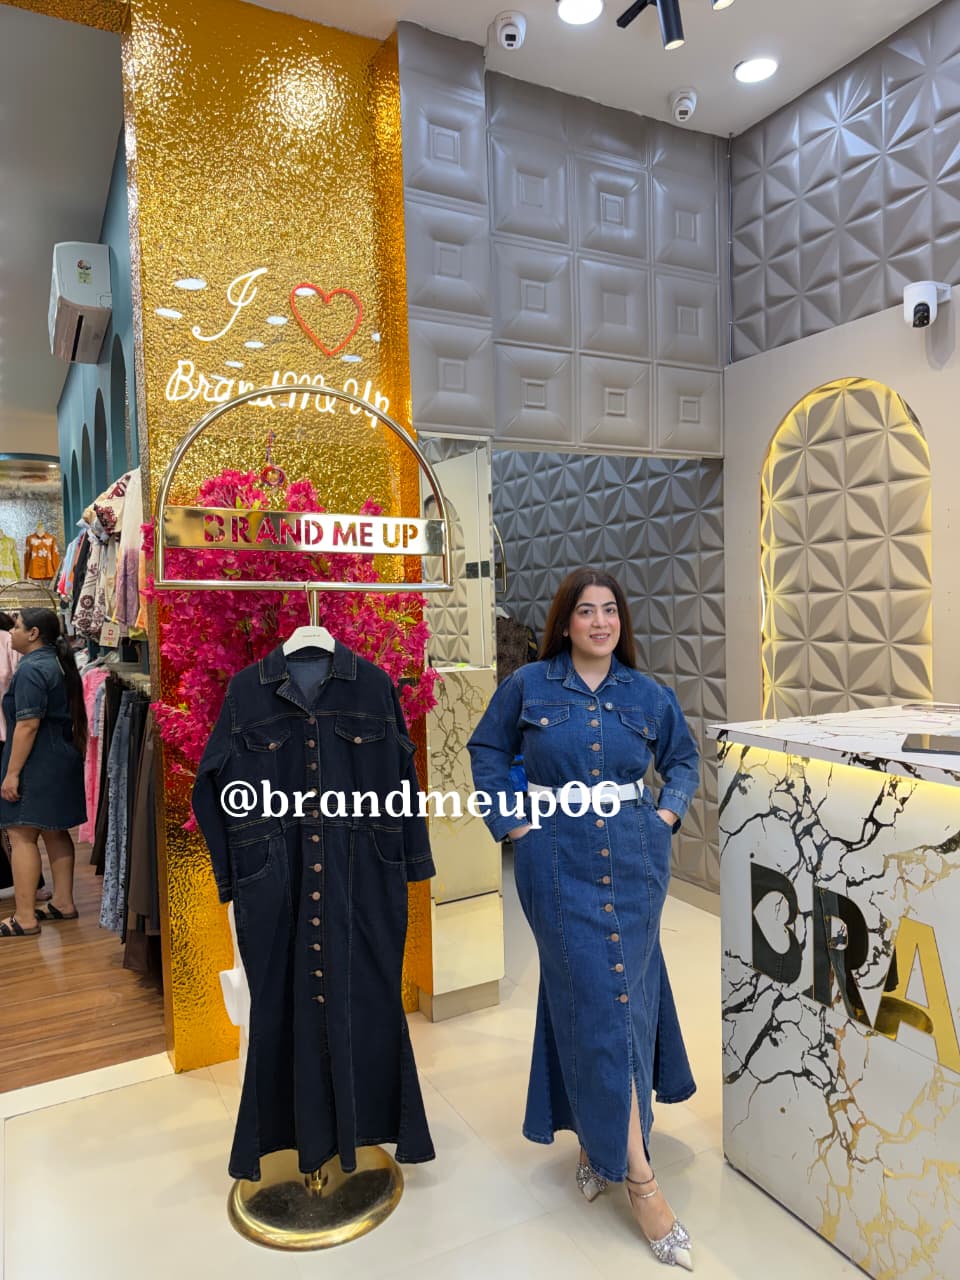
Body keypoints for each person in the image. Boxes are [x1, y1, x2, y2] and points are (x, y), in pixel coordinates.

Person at [468, 568, 700, 1270]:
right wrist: (514, 827)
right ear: (565, 623)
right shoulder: (528, 686)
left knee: (614, 1001)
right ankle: (640, 1178)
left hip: (635, 863)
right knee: (597, 998)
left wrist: (664, 818)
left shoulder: (647, 694)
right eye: (586, 611)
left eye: (610, 611)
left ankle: (602, 1148)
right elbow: (485, 751)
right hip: (556, 864)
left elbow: (684, 762)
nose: (600, 622)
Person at [0, 608, 87, 937]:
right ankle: (63, 902)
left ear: (33, 634)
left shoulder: (32, 668)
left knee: (20, 834)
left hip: (37, 762)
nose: (12, 632)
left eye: (17, 627)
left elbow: (27, 725)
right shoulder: (57, 663)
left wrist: (12, 774)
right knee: (55, 830)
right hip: (60, 756)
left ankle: (24, 917)